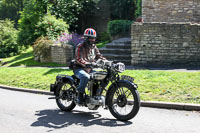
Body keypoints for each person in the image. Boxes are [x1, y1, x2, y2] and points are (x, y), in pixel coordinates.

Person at [73, 28, 106, 104]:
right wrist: (86, 63)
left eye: (93, 38)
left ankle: (95, 94)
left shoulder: (94, 47)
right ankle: (80, 95)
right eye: (90, 38)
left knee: (102, 76)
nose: (92, 40)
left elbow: (99, 56)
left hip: (90, 69)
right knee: (85, 77)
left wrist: (106, 62)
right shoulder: (80, 46)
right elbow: (78, 58)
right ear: (86, 38)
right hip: (79, 68)